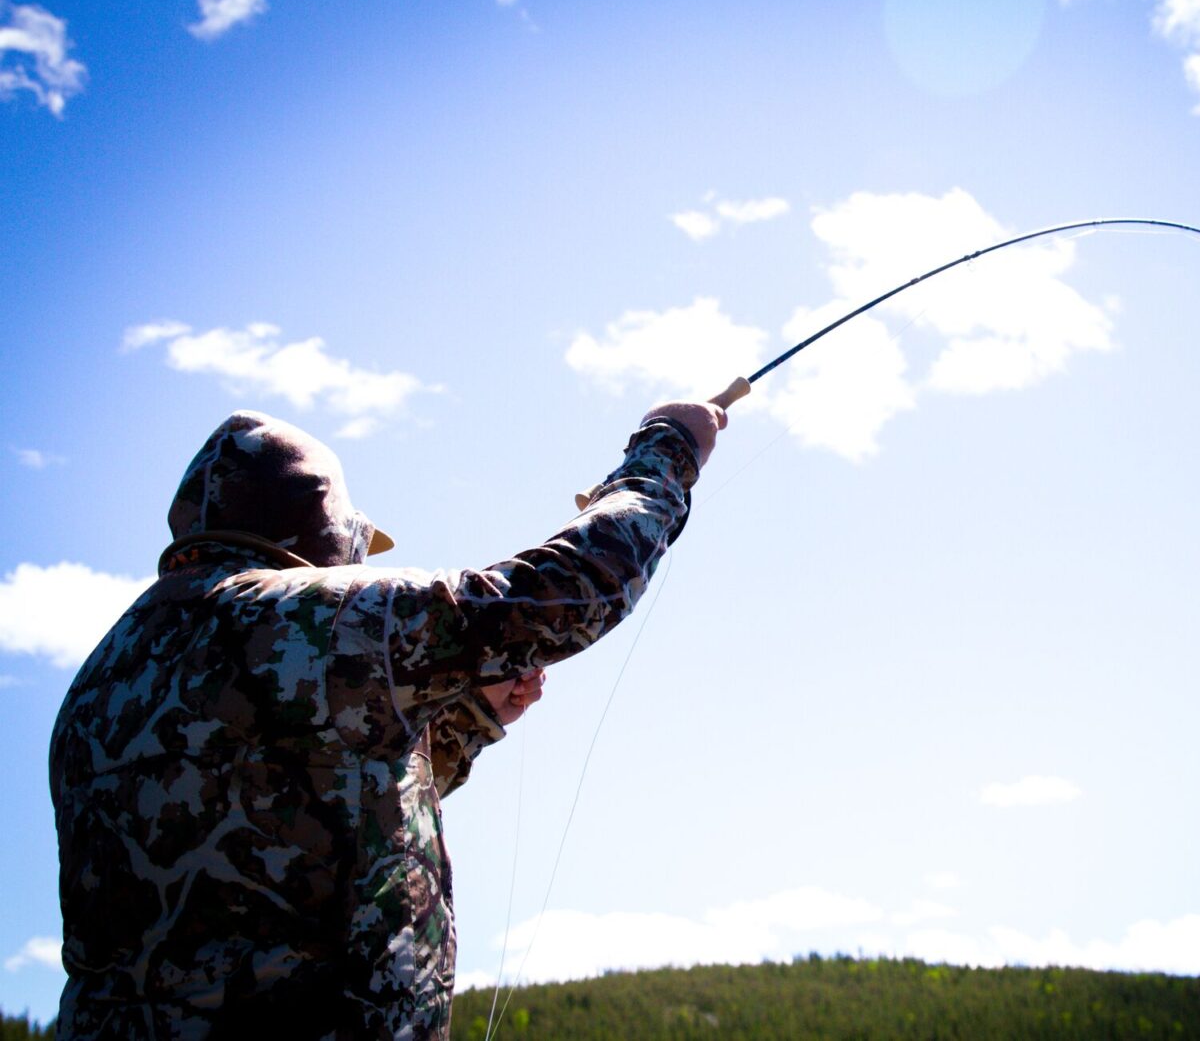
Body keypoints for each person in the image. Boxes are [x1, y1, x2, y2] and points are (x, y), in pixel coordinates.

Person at [49, 400, 725, 1039]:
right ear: (316, 532)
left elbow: (292, 809)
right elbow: (564, 589)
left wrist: (465, 721)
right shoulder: (307, 618)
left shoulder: (100, 681)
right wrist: (667, 447)